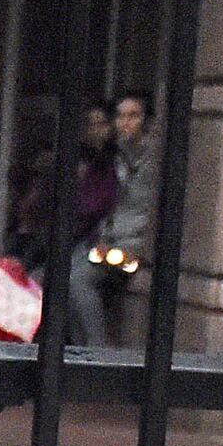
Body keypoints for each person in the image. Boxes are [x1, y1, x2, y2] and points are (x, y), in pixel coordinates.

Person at [73, 92, 157, 350]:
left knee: (79, 279)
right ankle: (79, 348)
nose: (125, 123)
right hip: (106, 240)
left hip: (133, 245)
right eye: (120, 116)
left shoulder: (154, 159)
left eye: (133, 116)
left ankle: (97, 349)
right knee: (61, 274)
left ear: (147, 121)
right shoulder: (113, 155)